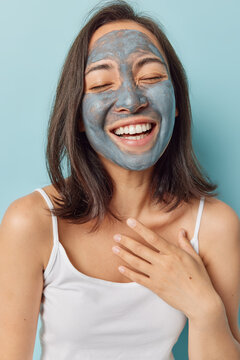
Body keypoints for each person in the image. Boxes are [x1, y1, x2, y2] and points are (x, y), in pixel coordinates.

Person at [0, 1, 239, 359]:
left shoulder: (216, 225)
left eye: (151, 77)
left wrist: (205, 309)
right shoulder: (31, 222)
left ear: (176, 101)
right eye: (100, 83)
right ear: (78, 115)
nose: (130, 100)